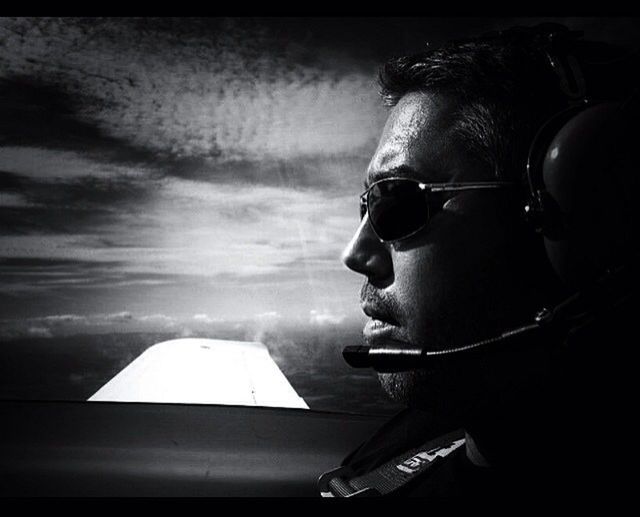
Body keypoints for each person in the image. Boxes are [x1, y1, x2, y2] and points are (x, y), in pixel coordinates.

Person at [319, 24, 639, 500]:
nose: (355, 255)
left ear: (578, 217)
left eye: (395, 202)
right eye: (366, 206)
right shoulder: (399, 448)